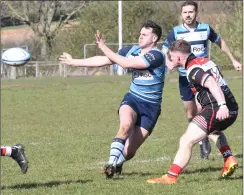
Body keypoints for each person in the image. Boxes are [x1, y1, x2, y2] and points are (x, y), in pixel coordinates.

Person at [59, 20, 166, 179]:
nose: (140, 37)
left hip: (151, 108)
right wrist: (73, 61)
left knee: (129, 152)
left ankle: (117, 163)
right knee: (125, 126)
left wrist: (103, 46)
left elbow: (126, 63)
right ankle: (110, 164)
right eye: (140, 34)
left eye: (144, 35)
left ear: (154, 38)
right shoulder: (132, 50)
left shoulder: (156, 55)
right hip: (133, 99)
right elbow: (103, 60)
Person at [147, 39, 238, 184]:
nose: (171, 60)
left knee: (186, 140)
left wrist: (221, 105)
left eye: (171, 57)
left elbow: (212, 83)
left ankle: (171, 177)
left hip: (217, 108)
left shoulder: (192, 69)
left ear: (178, 57)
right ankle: (228, 158)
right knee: (213, 131)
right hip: (232, 107)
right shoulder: (205, 60)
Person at [162, 1, 242, 159]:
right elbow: (164, 50)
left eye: (191, 12)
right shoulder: (176, 32)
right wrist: (169, 64)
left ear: (196, 13)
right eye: (185, 12)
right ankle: (202, 136)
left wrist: (233, 60)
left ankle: (204, 140)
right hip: (185, 80)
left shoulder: (205, 28)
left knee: (204, 110)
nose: (188, 15)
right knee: (190, 113)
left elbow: (220, 42)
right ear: (181, 14)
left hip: (203, 78)